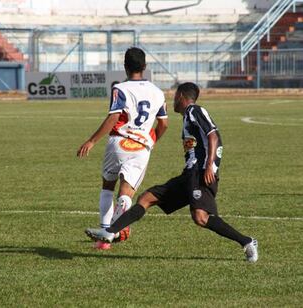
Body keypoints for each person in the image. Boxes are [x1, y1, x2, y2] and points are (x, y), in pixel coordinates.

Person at [86, 82, 258, 262]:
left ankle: (247, 242)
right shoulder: (188, 117)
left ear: (182, 97)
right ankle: (110, 232)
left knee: (201, 217)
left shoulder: (194, 111)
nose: (173, 100)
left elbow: (214, 135)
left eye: (175, 96)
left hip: (199, 174)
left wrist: (210, 166)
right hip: (188, 175)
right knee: (146, 198)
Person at [77, 47, 168, 250]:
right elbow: (163, 124)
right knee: (126, 193)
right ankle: (114, 230)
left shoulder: (121, 88)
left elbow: (114, 117)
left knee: (107, 187)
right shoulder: (157, 92)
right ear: (145, 66)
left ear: (125, 66)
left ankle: (104, 238)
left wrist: (92, 141)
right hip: (141, 147)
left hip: (118, 143)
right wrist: (151, 141)